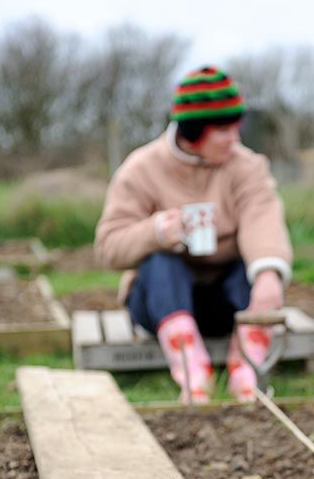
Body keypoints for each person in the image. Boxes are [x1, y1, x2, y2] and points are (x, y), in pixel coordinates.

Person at [95, 66, 293, 403]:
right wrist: (155, 231)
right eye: (223, 130)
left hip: (227, 306)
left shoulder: (247, 167)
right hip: (160, 306)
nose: (235, 138)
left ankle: (246, 370)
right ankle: (192, 372)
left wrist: (269, 274)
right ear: (194, 132)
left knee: (253, 270)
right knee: (160, 262)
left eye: (236, 127)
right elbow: (108, 247)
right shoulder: (141, 168)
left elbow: (263, 218)